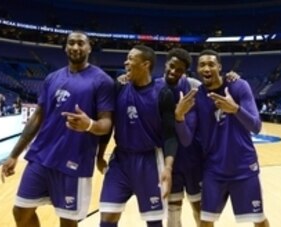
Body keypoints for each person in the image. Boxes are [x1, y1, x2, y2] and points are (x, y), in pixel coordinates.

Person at [1, 31, 115, 227]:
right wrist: (14, 154)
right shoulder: (52, 78)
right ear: (65, 47)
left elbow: (107, 124)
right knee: (20, 211)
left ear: (88, 48)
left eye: (81, 43)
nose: (76, 47)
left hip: (75, 160)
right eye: (71, 43)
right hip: (41, 156)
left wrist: (89, 124)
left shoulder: (102, 81)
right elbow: (37, 117)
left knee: (68, 222)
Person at [175, 49, 270, 227]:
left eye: (211, 64)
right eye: (202, 65)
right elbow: (186, 140)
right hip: (214, 170)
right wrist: (179, 117)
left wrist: (235, 110)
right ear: (197, 70)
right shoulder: (197, 97)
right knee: (205, 222)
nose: (206, 68)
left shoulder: (238, 86)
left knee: (258, 220)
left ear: (220, 67)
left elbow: (256, 127)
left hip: (244, 167)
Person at [99, 45, 178, 227]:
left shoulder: (163, 93)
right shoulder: (119, 87)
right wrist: (99, 154)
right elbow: (109, 123)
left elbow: (170, 135)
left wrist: (167, 168)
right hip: (121, 160)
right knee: (107, 216)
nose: (126, 62)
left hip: (149, 161)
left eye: (130, 58)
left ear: (145, 64)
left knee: (153, 221)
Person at [162, 48, 202, 227]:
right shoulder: (154, 86)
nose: (173, 71)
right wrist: (125, 79)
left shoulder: (195, 88)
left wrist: (232, 78)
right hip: (170, 160)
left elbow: (186, 139)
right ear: (165, 63)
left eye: (179, 70)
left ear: (185, 72)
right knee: (173, 214)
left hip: (194, 159)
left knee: (200, 210)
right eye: (171, 66)